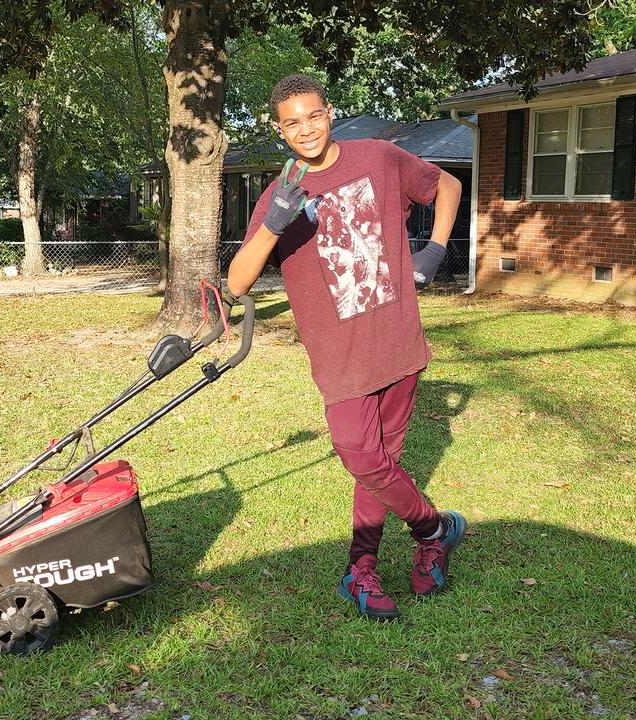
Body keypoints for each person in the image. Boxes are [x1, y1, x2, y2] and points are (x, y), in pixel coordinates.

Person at [226, 74, 467, 621]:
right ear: (279, 129)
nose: (305, 129)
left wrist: (434, 250)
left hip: (397, 341)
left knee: (380, 463)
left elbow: (447, 186)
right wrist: (272, 225)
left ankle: (361, 569)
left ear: (329, 112)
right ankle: (435, 531)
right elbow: (238, 281)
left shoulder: (379, 157)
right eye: (292, 122)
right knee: (361, 455)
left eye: (313, 115)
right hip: (340, 357)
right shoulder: (279, 193)